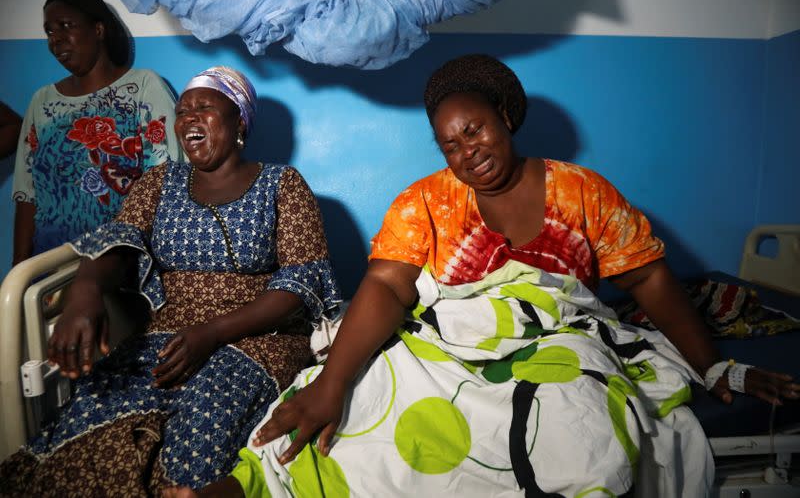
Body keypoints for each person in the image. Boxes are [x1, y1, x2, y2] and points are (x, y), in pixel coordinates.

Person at [166, 55, 800, 498]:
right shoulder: (426, 201)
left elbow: (652, 284)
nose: (467, 152)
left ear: (504, 114)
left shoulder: (581, 192)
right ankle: (244, 486)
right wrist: (333, 383)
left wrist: (714, 367)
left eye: (474, 130)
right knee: (366, 390)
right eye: (449, 144)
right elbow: (386, 288)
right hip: (452, 340)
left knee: (571, 408)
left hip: (558, 337)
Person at [0, 66, 341, 496]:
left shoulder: (281, 184)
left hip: (260, 336)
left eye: (205, 108)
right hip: (167, 330)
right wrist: (85, 291)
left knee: (202, 426)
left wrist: (213, 332)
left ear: (239, 121)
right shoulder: (160, 182)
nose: (189, 119)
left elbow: (301, 285)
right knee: (95, 415)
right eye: (182, 112)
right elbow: (119, 241)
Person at [12, 0, 183, 266]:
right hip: (50, 260)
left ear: (99, 30)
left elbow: (167, 181)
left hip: (120, 260)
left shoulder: (142, 87)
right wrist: (19, 269)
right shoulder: (42, 101)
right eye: (49, 31)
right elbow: (26, 195)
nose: (55, 40)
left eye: (66, 26)